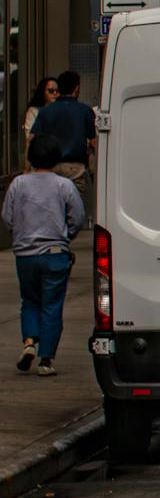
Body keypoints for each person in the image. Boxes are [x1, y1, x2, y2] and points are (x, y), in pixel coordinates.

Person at [4, 135, 84, 377]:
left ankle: (29, 342)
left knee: (29, 300)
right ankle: (46, 360)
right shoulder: (64, 185)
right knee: (52, 305)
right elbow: (78, 217)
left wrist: (21, 234)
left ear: (31, 157)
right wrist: (66, 235)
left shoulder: (18, 184)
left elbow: (8, 216)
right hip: (55, 253)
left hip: (25, 254)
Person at [29, 71, 95, 196]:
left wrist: (27, 169)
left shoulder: (45, 112)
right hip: (75, 169)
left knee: (52, 207)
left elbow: (32, 138)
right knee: (74, 209)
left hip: (50, 168)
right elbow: (93, 141)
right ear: (76, 89)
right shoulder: (85, 111)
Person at [20, 76, 55, 145]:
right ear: (42, 92)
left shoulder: (61, 109)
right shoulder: (33, 111)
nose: (55, 93)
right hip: (41, 152)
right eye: (51, 91)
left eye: (57, 91)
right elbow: (29, 138)